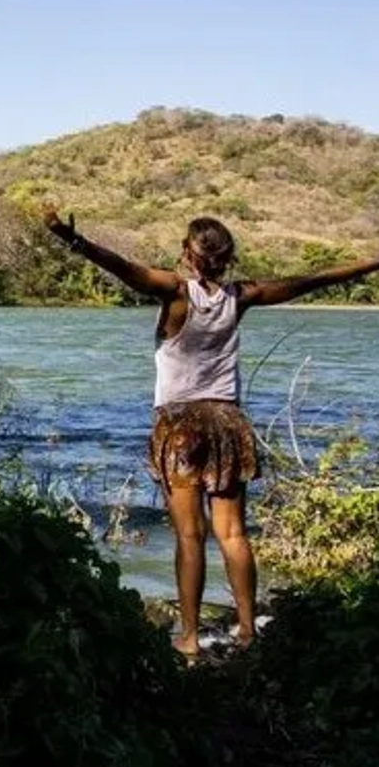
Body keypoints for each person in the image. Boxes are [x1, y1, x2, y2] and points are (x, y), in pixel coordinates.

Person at [42, 205, 379, 659]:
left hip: (181, 426)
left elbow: (122, 268)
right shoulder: (240, 297)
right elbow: (309, 281)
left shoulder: (175, 292)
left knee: (188, 535)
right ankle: (246, 631)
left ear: (188, 252)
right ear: (226, 258)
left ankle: (189, 637)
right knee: (234, 533)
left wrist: (71, 238)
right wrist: (369, 263)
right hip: (227, 423)